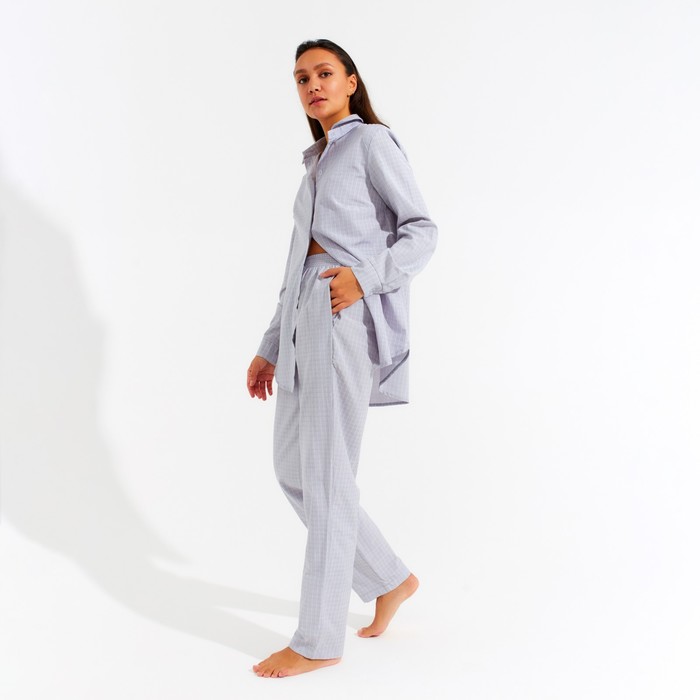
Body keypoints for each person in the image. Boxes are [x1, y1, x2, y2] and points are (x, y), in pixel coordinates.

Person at [246, 39, 438, 678]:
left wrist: (365, 276)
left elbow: (422, 230)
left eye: (324, 73)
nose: (312, 86)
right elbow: (295, 264)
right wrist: (270, 346)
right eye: (301, 78)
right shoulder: (316, 161)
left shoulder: (372, 143)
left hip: (341, 311)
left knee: (328, 478)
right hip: (305, 312)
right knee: (293, 470)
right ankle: (388, 579)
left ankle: (318, 640)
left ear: (351, 81)